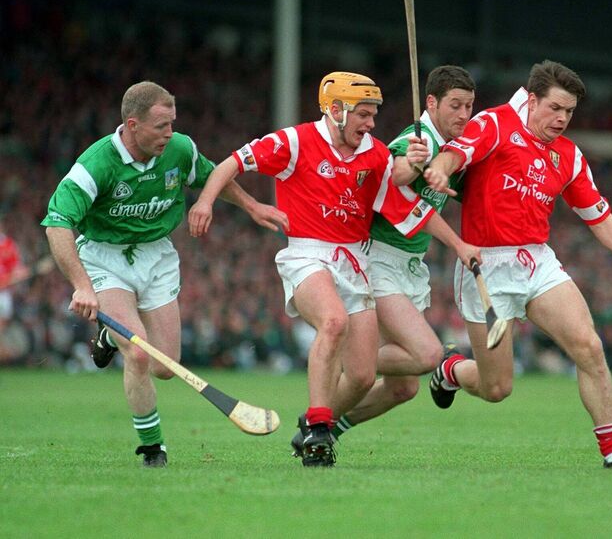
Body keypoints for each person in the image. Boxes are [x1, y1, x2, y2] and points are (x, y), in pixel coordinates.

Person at [187, 71, 480, 468]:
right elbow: (232, 163)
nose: (371, 123)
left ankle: (315, 423)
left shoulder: (374, 154)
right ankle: (320, 429)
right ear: (337, 110)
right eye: (363, 114)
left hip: (355, 261)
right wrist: (207, 202)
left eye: (373, 114)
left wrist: (456, 239)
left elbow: (408, 206)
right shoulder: (296, 141)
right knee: (334, 321)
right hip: (307, 254)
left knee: (360, 377)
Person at [423, 59, 612, 470]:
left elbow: (599, 216)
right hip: (485, 263)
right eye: (554, 108)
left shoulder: (567, 156)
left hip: (537, 261)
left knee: (589, 346)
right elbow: (453, 154)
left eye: (569, 112)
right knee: (497, 388)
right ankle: (450, 370)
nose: (562, 119)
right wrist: (440, 171)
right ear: (532, 100)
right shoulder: (495, 124)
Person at [41, 81, 288, 468]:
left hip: (157, 257)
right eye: (161, 126)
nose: (169, 133)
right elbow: (57, 224)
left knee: (165, 366)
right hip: (106, 260)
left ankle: (109, 333)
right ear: (132, 124)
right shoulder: (95, 165)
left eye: (172, 123)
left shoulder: (179, 149)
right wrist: (81, 285)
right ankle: (152, 448)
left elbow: (211, 178)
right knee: (138, 355)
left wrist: (252, 205)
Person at [319, 66, 476, 444]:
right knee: (426, 356)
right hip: (379, 260)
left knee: (403, 389)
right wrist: (416, 162)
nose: (463, 114)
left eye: (469, 106)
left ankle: (324, 430)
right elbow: (396, 174)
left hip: (410, 265)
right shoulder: (415, 138)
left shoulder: (454, 148)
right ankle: (326, 388)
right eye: (455, 105)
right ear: (432, 103)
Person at [0, 218, 30, 363]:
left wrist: (20, 273)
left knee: (2, 324)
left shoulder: (7, 245)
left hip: (3, 293)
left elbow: (16, 268)